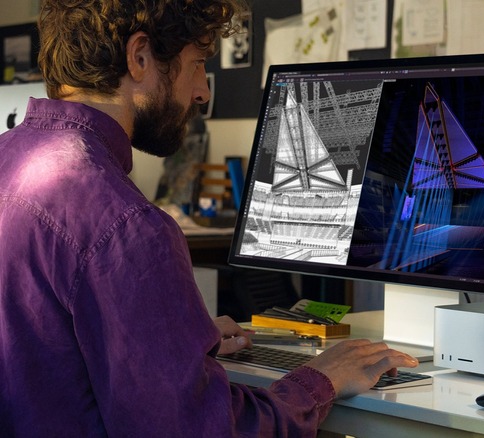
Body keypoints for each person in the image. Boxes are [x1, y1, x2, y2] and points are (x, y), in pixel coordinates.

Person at [0, 1, 418, 436]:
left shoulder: (8, 158)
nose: (201, 91)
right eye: (197, 63)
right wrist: (321, 380)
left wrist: (177, 344)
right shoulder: (128, 227)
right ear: (139, 57)